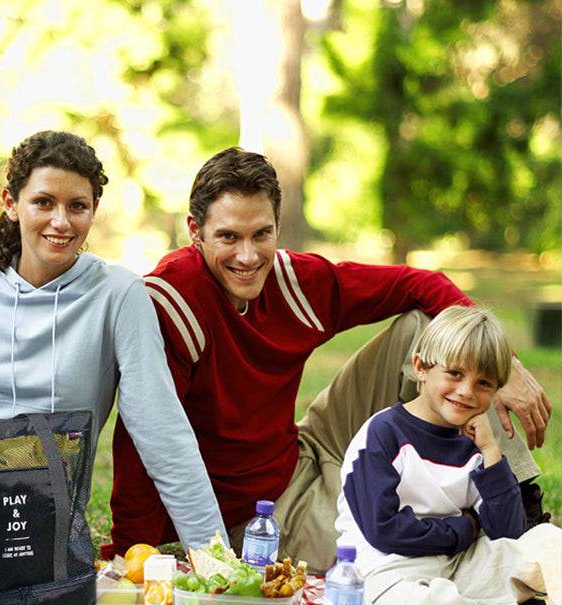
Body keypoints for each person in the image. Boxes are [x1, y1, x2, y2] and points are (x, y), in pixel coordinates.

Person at [108, 146, 552, 572]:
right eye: (228, 237)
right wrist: (131, 551)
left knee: (431, 328)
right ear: (195, 230)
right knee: (378, 553)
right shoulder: (172, 300)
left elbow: (419, 284)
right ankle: (472, 524)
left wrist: (505, 366)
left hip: (307, 445)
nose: (248, 255)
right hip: (255, 509)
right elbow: (144, 435)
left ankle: (519, 507)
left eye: (261, 234)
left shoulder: (291, 280)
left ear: (277, 225)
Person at [0, 130, 224, 555]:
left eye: (77, 206)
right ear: (11, 203)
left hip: (53, 527)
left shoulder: (118, 294)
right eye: (43, 202)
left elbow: (161, 430)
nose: (61, 222)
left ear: (95, 211)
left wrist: (214, 558)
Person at [334, 306, 561, 605]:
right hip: (390, 567)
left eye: (483, 382)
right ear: (420, 368)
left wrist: (492, 453)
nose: (467, 391)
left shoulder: (475, 444)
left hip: (460, 565)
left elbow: (509, 533)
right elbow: (385, 531)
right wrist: (465, 530)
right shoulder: (382, 435)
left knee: (550, 543)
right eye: (455, 373)